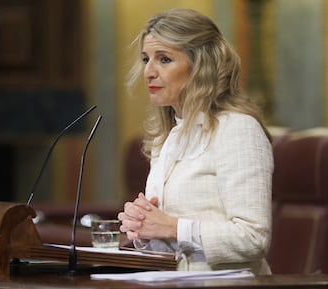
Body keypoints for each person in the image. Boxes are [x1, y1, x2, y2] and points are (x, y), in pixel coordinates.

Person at [117, 8, 274, 275]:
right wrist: (143, 228)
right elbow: (175, 243)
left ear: (201, 66)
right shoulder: (167, 137)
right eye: (146, 59)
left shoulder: (237, 129)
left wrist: (171, 226)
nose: (148, 72)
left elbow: (253, 238)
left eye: (164, 59)